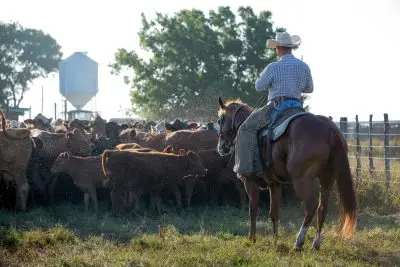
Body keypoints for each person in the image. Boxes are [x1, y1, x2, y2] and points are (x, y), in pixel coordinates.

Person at [233, 32, 314, 178]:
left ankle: (246, 169)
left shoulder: (273, 67)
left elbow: (258, 86)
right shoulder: (303, 66)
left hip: (277, 107)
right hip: (297, 107)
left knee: (245, 128)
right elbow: (309, 88)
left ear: (278, 48)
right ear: (291, 48)